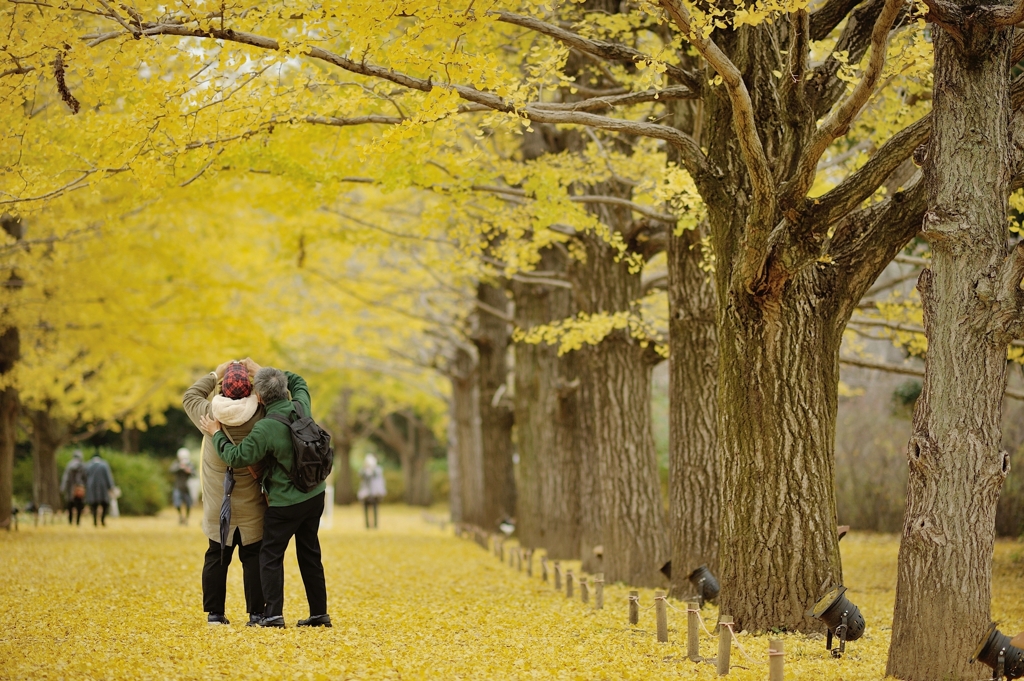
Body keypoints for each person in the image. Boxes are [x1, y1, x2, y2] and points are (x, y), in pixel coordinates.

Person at [200, 366, 331, 629]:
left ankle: (273, 615)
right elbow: (299, 381)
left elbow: (235, 457)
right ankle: (319, 614)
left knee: (270, 555)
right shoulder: (301, 406)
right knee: (310, 554)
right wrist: (263, 370)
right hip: (315, 496)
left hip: (285, 503)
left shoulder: (264, 428)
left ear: (259, 397)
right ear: (284, 390)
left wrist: (216, 434)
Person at [183, 359, 267, 626]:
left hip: (220, 502)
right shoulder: (261, 415)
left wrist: (214, 373)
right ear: (251, 388)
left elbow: (190, 395)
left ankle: (215, 614)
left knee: (216, 555)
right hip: (252, 501)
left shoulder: (209, 416)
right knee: (253, 557)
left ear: (221, 388)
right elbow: (283, 394)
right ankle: (256, 614)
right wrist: (260, 372)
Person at [84, 450, 115, 527]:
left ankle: (95, 521)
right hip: (103, 488)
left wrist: (85, 486)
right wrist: (111, 487)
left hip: (92, 488)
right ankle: (102, 519)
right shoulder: (104, 465)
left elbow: (85, 477)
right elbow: (108, 477)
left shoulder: (88, 465)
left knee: (93, 505)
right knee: (105, 504)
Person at [357, 454, 386, 529]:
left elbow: (377, 475)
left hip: (374, 493)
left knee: (375, 509)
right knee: (365, 509)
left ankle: (375, 525)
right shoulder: (364, 470)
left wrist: (372, 469)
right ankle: (367, 525)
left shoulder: (377, 469)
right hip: (365, 493)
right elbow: (360, 474)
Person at [60, 449, 87, 525]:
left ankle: (70, 521)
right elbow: (86, 478)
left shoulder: (69, 465)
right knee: (79, 506)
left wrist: (63, 488)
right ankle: (78, 521)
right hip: (80, 489)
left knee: (70, 506)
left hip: (70, 489)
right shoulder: (83, 465)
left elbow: (65, 478)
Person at [169, 448, 195, 526]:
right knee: (177, 503)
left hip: (187, 488)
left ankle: (186, 519)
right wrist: (180, 467)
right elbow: (171, 470)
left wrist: (188, 470)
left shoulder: (190, 464)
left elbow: (194, 474)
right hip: (178, 487)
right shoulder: (176, 463)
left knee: (189, 504)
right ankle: (180, 516)